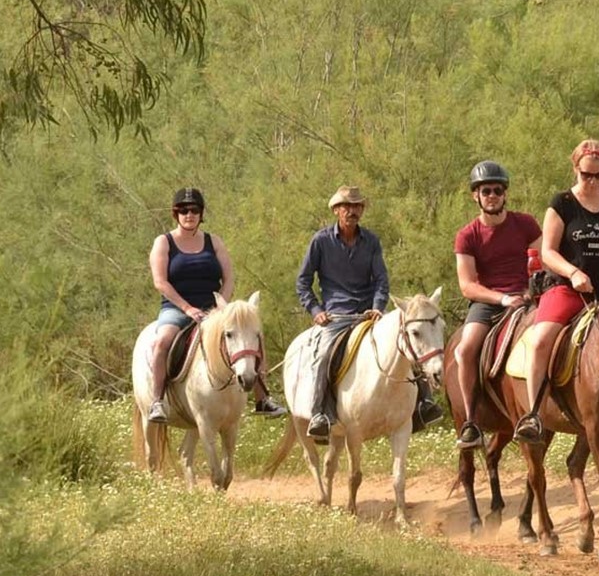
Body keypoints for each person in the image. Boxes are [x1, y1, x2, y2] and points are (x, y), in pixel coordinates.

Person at [514, 140, 599, 441]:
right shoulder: (561, 203)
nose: (592, 181)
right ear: (575, 169)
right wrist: (573, 272)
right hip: (568, 289)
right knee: (540, 340)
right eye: (587, 174)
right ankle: (534, 414)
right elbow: (547, 252)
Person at [295, 185, 443, 444]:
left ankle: (423, 404)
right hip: (337, 315)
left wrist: (377, 306)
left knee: (405, 343)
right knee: (324, 353)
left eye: (357, 206)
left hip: (369, 313)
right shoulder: (320, 241)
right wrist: (316, 311)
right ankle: (321, 414)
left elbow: (381, 281)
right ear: (336, 210)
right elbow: (303, 282)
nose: (352, 211)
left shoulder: (371, 241)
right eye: (347, 206)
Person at [145, 187, 286, 423]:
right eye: (183, 210)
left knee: (251, 336)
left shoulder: (214, 242)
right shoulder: (164, 242)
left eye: (194, 210)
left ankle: (263, 398)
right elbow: (160, 282)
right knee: (162, 343)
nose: (189, 215)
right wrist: (187, 309)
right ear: (175, 213)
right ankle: (157, 401)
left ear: (201, 214)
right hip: (176, 308)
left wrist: (221, 307)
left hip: (213, 309)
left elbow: (229, 278)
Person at [452, 160, 543, 450]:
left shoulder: (526, 224)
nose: (492, 195)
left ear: (505, 194)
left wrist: (532, 290)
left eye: (497, 190)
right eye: (486, 190)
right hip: (489, 301)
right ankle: (470, 422)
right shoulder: (468, 236)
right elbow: (467, 285)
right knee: (465, 350)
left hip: (528, 297)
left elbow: (542, 261)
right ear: (475, 196)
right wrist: (503, 298)